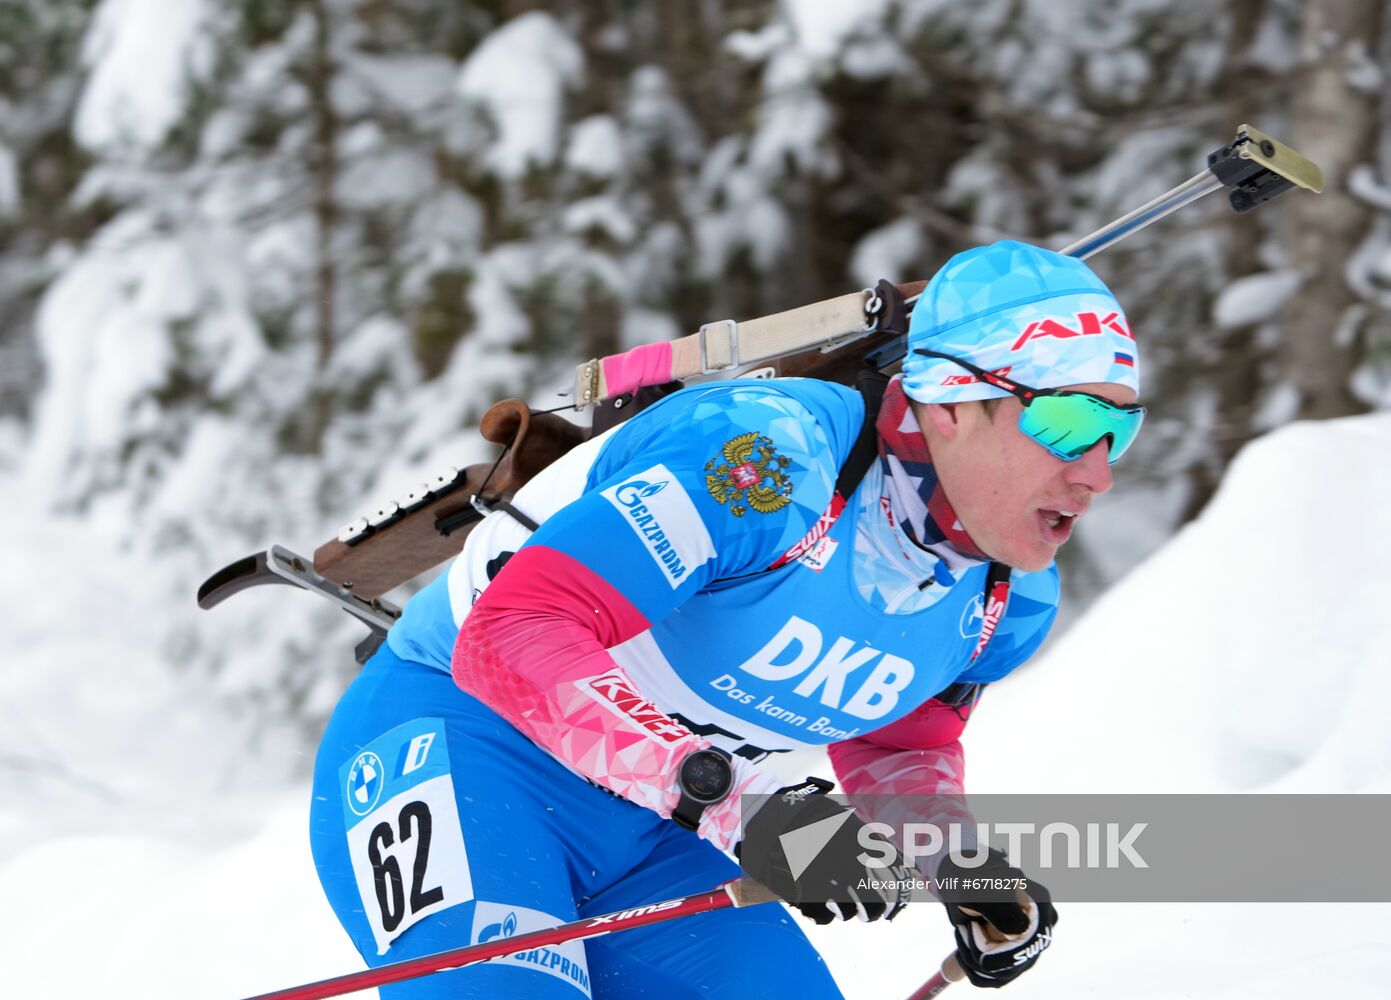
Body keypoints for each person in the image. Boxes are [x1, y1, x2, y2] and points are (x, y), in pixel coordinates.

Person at [308, 240, 1145, 997]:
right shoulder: (764, 462)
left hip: (650, 826)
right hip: (464, 746)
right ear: (951, 403)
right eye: (1069, 421)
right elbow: (512, 635)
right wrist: (742, 807)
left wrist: (959, 868)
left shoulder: (1007, 601)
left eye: (1121, 427)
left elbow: (897, 744)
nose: (1096, 474)